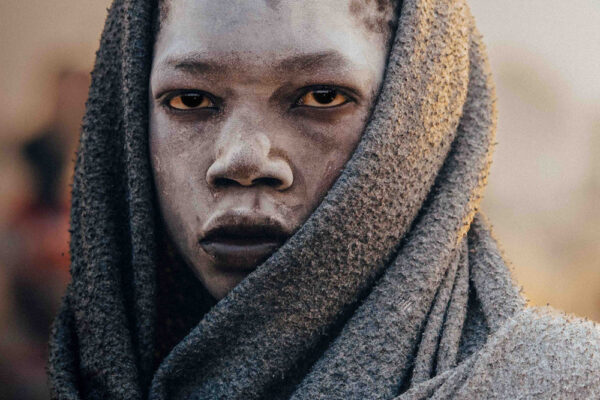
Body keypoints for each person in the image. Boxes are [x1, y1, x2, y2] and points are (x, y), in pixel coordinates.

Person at [48, 0, 600, 399]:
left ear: (419, 119)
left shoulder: (567, 384)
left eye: (321, 96)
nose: (241, 160)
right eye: (191, 100)